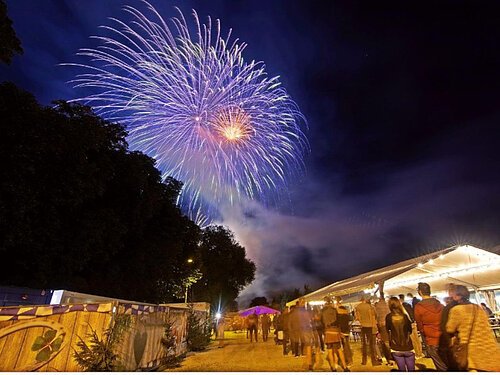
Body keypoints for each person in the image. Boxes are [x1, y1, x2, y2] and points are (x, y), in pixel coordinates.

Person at [446, 285, 500, 371]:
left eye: (453, 295)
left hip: (473, 352)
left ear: (458, 296)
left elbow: (450, 328)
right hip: (490, 348)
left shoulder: (456, 310)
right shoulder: (478, 308)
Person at [414, 282, 447, 371]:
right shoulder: (440, 305)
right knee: (447, 362)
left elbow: (419, 325)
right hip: (444, 338)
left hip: (430, 339)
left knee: (440, 365)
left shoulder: (419, 307)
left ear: (420, 292)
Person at [386, 297, 415, 371]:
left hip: (396, 347)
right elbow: (410, 330)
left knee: (402, 370)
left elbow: (387, 330)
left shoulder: (388, 317)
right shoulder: (405, 316)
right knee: (411, 370)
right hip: (408, 346)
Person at [322, 297, 349, 372]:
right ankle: (345, 367)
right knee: (339, 350)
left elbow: (322, 322)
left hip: (328, 331)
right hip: (335, 331)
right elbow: (339, 321)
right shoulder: (335, 310)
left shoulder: (323, 311)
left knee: (330, 351)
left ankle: (333, 368)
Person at [355, 295, 381, 366]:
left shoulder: (358, 307)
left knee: (363, 344)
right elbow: (371, 316)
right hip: (370, 326)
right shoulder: (370, 307)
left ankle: (364, 361)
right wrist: (373, 326)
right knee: (371, 344)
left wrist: (361, 323)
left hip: (363, 326)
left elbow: (358, 317)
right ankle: (374, 361)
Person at [290, 298, 314, 370]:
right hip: (306, 330)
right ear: (303, 303)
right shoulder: (306, 311)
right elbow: (309, 320)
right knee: (308, 346)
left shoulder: (294, 312)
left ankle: (307, 362)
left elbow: (292, 321)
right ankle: (309, 363)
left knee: (301, 344)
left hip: (298, 330)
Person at [399, 293, 422, 358]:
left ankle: (418, 354)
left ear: (400, 299)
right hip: (413, 323)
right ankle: (420, 352)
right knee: (417, 339)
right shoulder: (408, 305)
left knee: (413, 340)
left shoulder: (401, 307)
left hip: (409, 324)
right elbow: (412, 313)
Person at [374, 293, 393, 366]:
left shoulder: (377, 306)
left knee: (386, 343)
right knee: (390, 342)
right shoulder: (388, 304)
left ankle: (390, 360)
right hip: (390, 325)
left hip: (382, 326)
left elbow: (376, 317)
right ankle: (394, 358)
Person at [335, 296, 353, 366]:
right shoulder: (345, 312)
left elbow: (340, 323)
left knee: (345, 346)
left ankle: (349, 360)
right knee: (345, 346)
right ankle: (347, 359)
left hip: (343, 331)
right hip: (346, 331)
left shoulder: (340, 312)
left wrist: (340, 332)